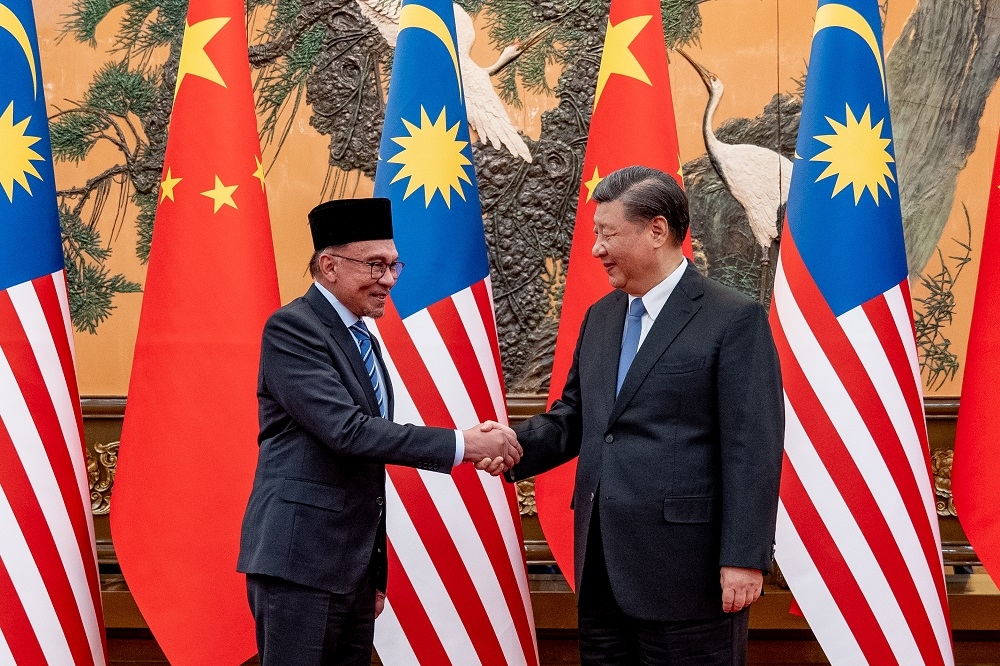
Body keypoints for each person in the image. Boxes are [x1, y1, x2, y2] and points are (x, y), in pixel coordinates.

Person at [498, 166, 784, 664]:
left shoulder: (732, 318)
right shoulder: (602, 316)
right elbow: (579, 418)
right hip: (602, 571)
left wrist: (743, 557)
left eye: (607, 234)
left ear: (657, 230)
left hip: (688, 578)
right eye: (595, 235)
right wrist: (509, 446)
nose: (596, 249)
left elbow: (752, 447)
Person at [237, 197, 519, 665]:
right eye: (375, 265)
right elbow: (348, 433)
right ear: (328, 265)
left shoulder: (361, 335)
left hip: (351, 572)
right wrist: (463, 444)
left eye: (393, 265)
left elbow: (366, 468)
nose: (388, 279)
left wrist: (373, 574)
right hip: (300, 564)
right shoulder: (293, 329)